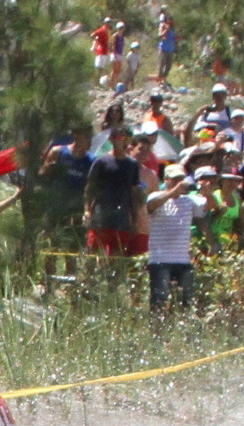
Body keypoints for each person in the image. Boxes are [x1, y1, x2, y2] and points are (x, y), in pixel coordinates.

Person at [142, 164, 200, 308]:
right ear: (166, 180)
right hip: (160, 260)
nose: (178, 183)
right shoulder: (156, 196)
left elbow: (208, 207)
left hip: (183, 260)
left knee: (184, 303)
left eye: (181, 179)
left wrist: (206, 190)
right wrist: (173, 192)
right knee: (159, 301)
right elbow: (150, 206)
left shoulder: (189, 200)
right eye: (175, 179)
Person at [82, 128, 147, 256]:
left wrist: (134, 220)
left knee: (117, 257)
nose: (124, 142)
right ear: (111, 140)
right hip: (101, 218)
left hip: (122, 220)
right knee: (94, 255)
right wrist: (87, 210)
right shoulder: (101, 161)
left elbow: (134, 193)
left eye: (127, 139)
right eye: (120, 138)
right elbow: (90, 188)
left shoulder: (132, 165)